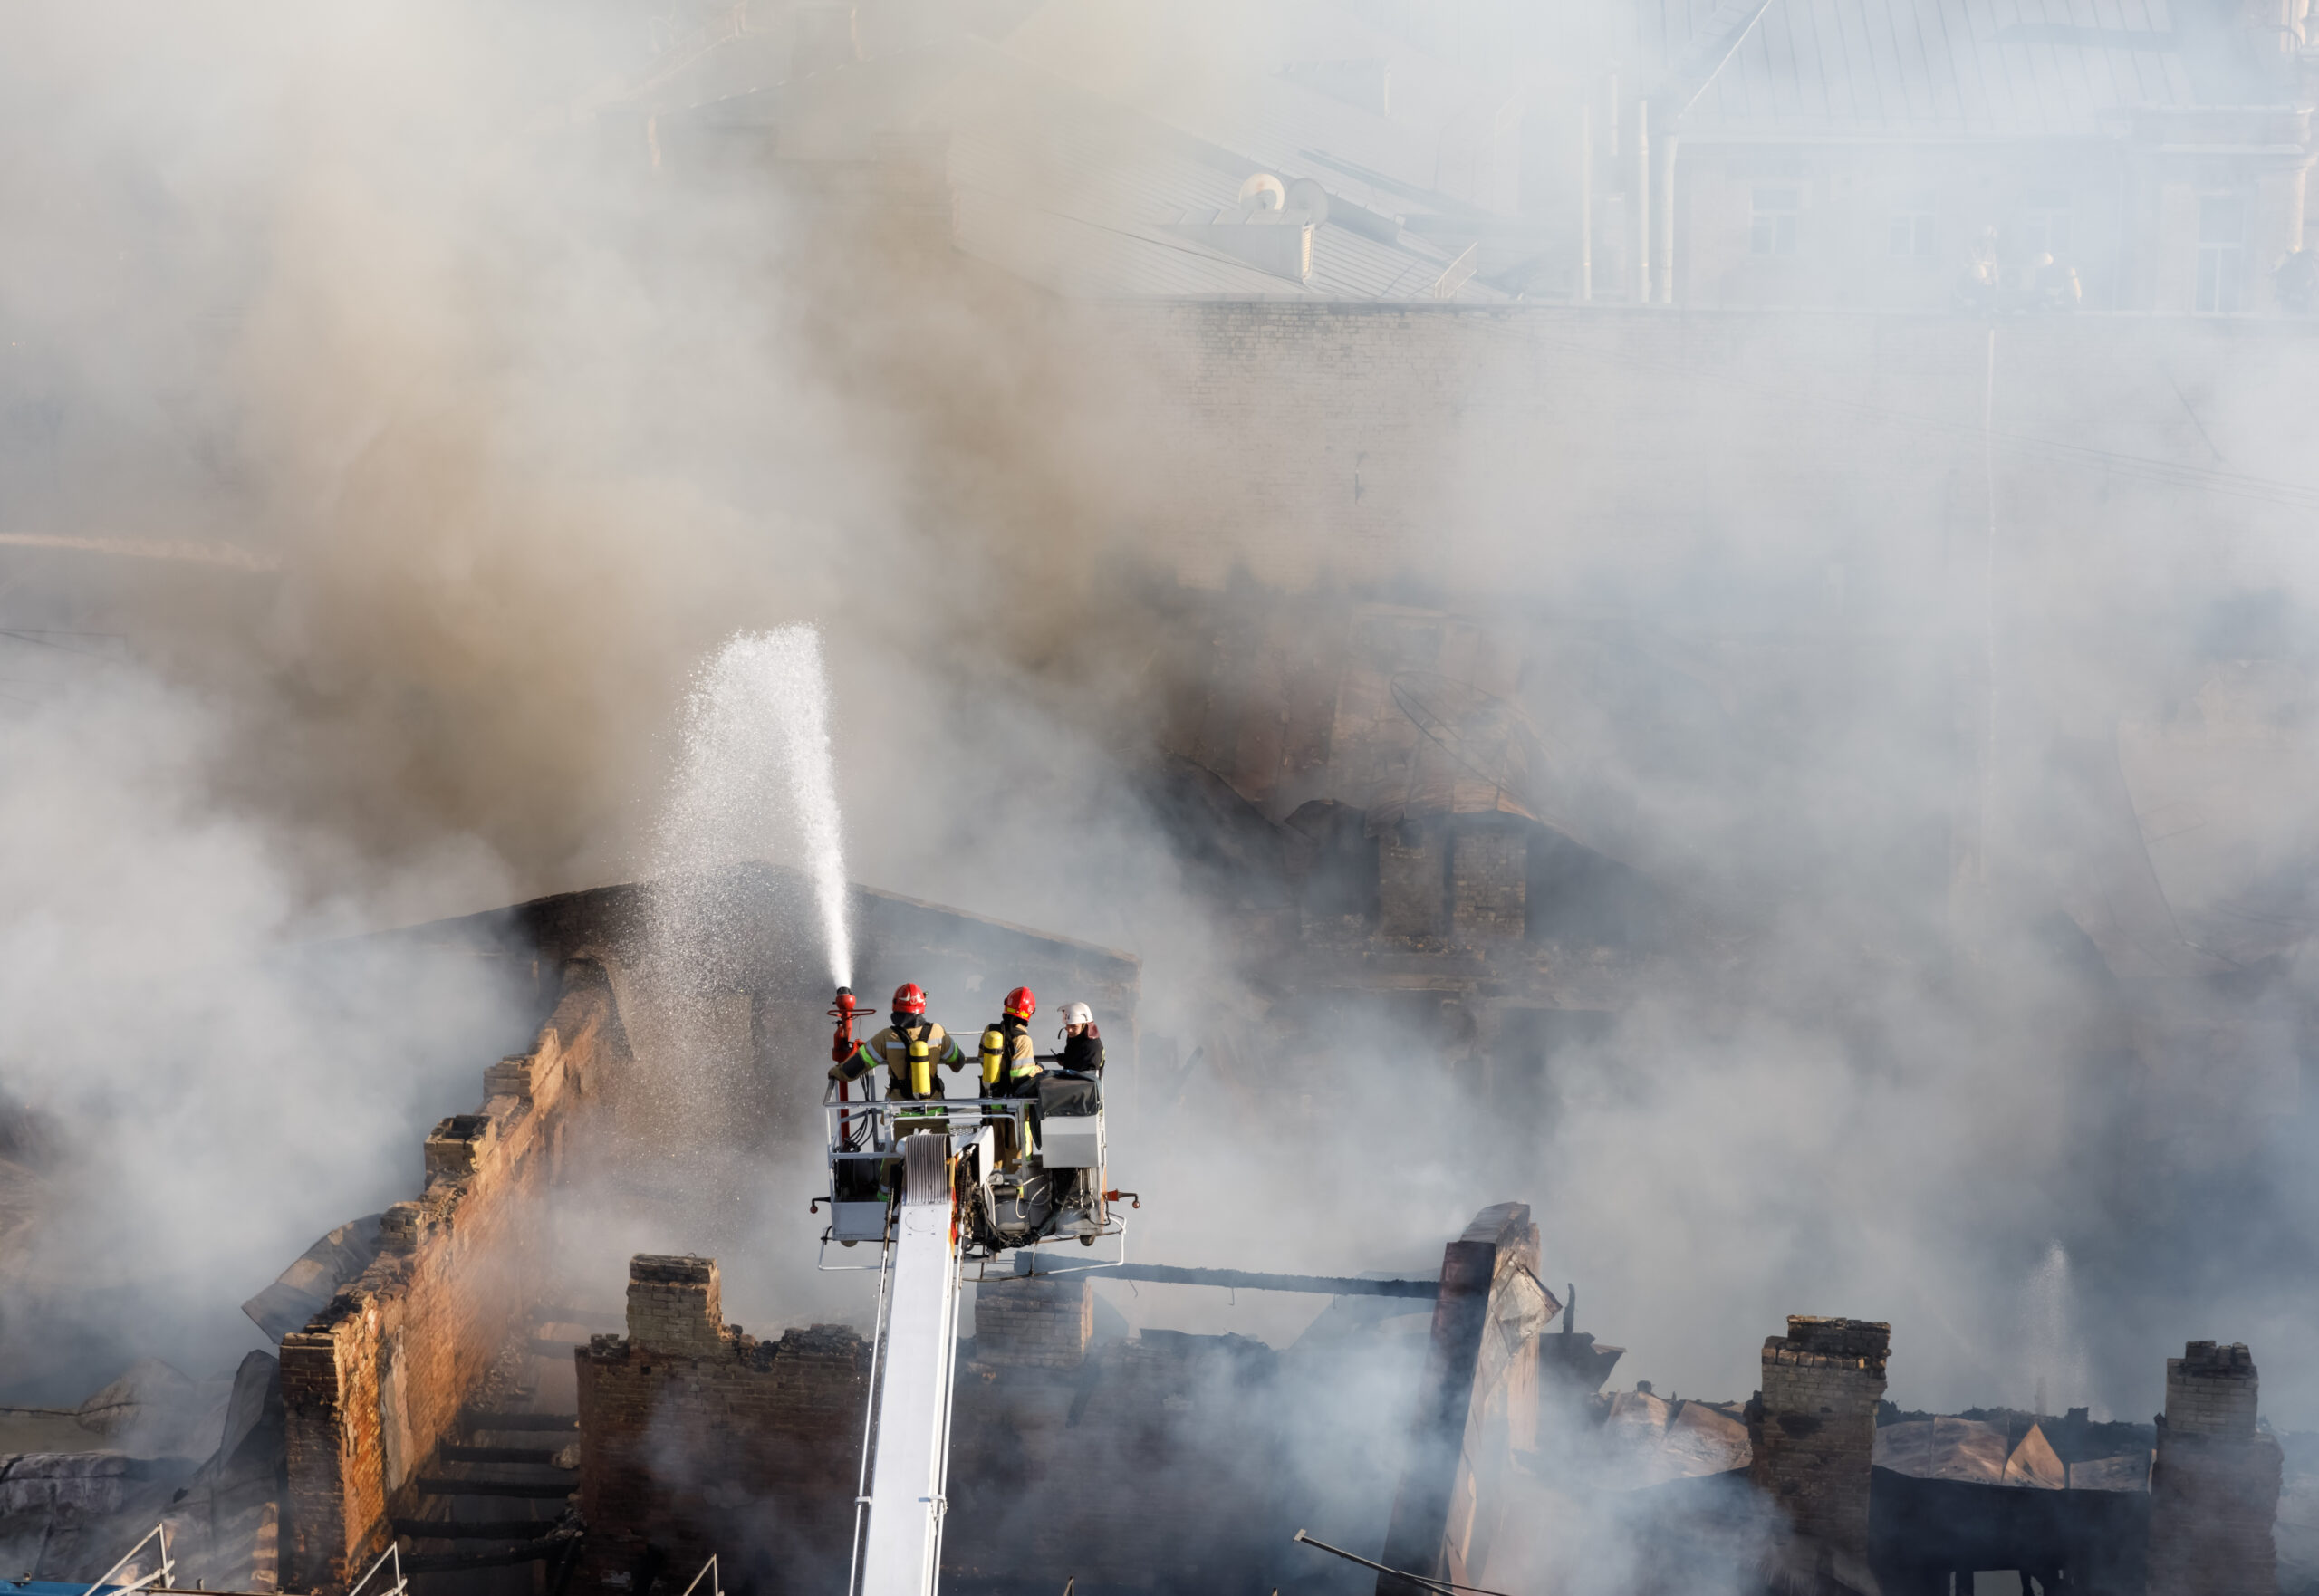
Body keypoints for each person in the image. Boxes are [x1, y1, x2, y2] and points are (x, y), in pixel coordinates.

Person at [830, 982, 967, 1101]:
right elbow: (959, 1063)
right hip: (934, 1112)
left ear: (896, 1005)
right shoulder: (937, 1031)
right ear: (922, 1004)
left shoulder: (886, 1036)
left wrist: (835, 1072)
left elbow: (852, 1069)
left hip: (899, 1113)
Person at [978, 986, 1044, 1097]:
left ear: (1006, 1004)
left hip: (988, 1097)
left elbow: (981, 1059)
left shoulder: (989, 1030)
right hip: (1012, 1102)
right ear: (1031, 1012)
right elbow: (1020, 1078)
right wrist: (1038, 1069)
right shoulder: (1024, 1040)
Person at [1052, 1001, 1106, 1075]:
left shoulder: (1092, 1047)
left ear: (1084, 1025)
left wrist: (1068, 1063)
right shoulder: (1076, 1036)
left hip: (1082, 1081)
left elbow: (1088, 1078)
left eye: (1074, 1027)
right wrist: (1066, 1059)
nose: (1069, 1030)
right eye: (1068, 1025)